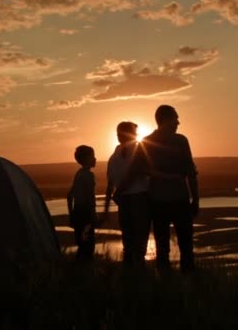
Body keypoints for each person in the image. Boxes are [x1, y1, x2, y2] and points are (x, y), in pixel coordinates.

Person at [142, 105, 199, 273]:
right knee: (184, 246)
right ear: (165, 120)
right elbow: (190, 172)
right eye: (175, 118)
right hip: (175, 200)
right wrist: (195, 200)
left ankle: (167, 284)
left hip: (160, 201)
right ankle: (184, 282)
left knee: (164, 248)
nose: (178, 122)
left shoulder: (147, 141)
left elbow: (143, 170)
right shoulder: (180, 140)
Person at [104, 121, 150, 266]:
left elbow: (110, 183)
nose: (137, 136)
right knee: (140, 237)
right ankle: (139, 271)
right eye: (135, 133)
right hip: (139, 198)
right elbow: (135, 173)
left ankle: (130, 269)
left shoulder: (113, 156)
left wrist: (107, 206)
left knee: (128, 237)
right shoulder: (138, 151)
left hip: (123, 201)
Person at [67, 145, 97, 261]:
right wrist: (93, 215)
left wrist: (71, 214)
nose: (95, 159)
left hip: (77, 213)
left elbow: (69, 196)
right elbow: (89, 198)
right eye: (92, 156)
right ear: (85, 159)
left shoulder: (78, 174)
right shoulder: (89, 175)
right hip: (86, 214)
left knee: (82, 244)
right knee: (88, 246)